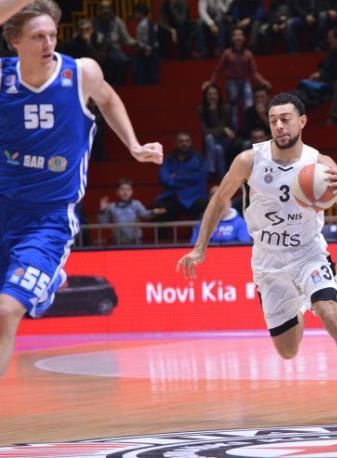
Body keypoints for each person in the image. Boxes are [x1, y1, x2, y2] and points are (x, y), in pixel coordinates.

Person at [176, 92, 337, 426]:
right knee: (288, 350)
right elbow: (218, 201)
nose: (279, 125)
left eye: (285, 119)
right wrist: (200, 247)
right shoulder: (249, 160)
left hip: (309, 254)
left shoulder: (321, 164)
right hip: (268, 262)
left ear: (302, 121)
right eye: (273, 120)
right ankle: (296, 307)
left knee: (329, 312)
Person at [0, 0, 163, 377]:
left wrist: (133, 145)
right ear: (14, 41)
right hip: (3, 206)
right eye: (37, 36)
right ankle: (47, 282)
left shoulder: (81, 73)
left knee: (6, 312)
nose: (48, 43)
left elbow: (108, 98)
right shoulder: (4, 78)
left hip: (46, 221)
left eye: (52, 35)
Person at [207, 27, 272, 131]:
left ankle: (248, 128)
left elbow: (254, 72)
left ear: (244, 38)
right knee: (233, 107)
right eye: (235, 35)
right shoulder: (227, 53)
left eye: (240, 35)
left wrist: (263, 81)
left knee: (249, 105)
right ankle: (235, 129)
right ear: (232, 38)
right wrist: (211, 83)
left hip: (245, 81)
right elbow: (219, 70)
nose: (238, 37)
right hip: (232, 81)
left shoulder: (248, 54)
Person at [153, 131, 209, 222]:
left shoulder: (199, 159)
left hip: (194, 196)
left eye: (187, 141)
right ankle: (164, 232)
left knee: (206, 206)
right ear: (175, 143)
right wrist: (188, 180)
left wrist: (176, 177)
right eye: (181, 141)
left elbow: (199, 178)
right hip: (174, 196)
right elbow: (164, 178)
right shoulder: (169, 159)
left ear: (191, 143)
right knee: (158, 207)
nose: (184, 144)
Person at [98, 178, 166, 245]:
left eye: (128, 189)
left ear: (131, 192)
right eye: (122, 189)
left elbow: (145, 215)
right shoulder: (112, 206)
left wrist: (154, 212)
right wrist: (102, 210)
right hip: (118, 244)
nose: (125, 192)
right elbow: (103, 224)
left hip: (136, 243)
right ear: (117, 191)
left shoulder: (136, 204)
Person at [132, 3, 160, 85]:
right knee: (152, 74)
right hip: (152, 50)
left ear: (139, 13)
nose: (134, 15)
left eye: (135, 12)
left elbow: (145, 40)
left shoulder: (141, 25)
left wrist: (138, 44)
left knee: (143, 74)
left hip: (145, 51)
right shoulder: (152, 23)